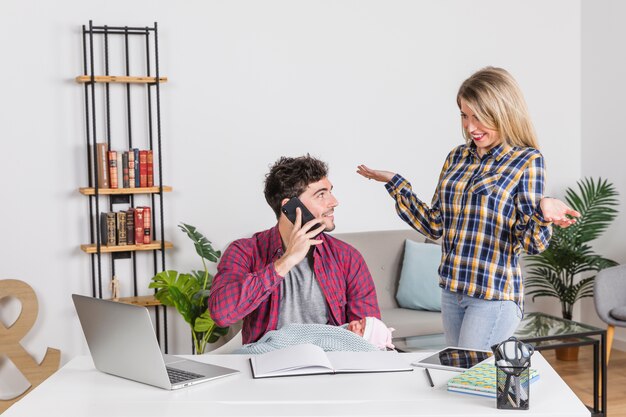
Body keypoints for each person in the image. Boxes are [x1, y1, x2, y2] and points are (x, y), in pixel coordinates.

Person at [357, 67, 580, 351]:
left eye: (479, 117)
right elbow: (435, 224)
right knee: (462, 380)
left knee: (470, 378)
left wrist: (542, 211)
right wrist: (396, 184)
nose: (470, 126)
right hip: (452, 291)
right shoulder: (456, 157)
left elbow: (531, 242)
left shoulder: (526, 160)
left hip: (493, 294)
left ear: (503, 113)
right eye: (464, 115)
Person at [209, 155, 381, 344]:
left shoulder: (347, 257)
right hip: (268, 363)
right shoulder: (244, 251)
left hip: (331, 363)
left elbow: (369, 338)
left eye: (330, 192)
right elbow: (221, 315)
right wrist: (286, 261)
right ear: (290, 207)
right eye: (321, 194)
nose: (334, 202)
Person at [236, 317, 395, 354]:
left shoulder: (354, 346)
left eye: (361, 331)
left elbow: (326, 343)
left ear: (365, 343)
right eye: (360, 321)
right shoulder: (341, 330)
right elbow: (315, 333)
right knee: (276, 343)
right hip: (292, 337)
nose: (355, 325)